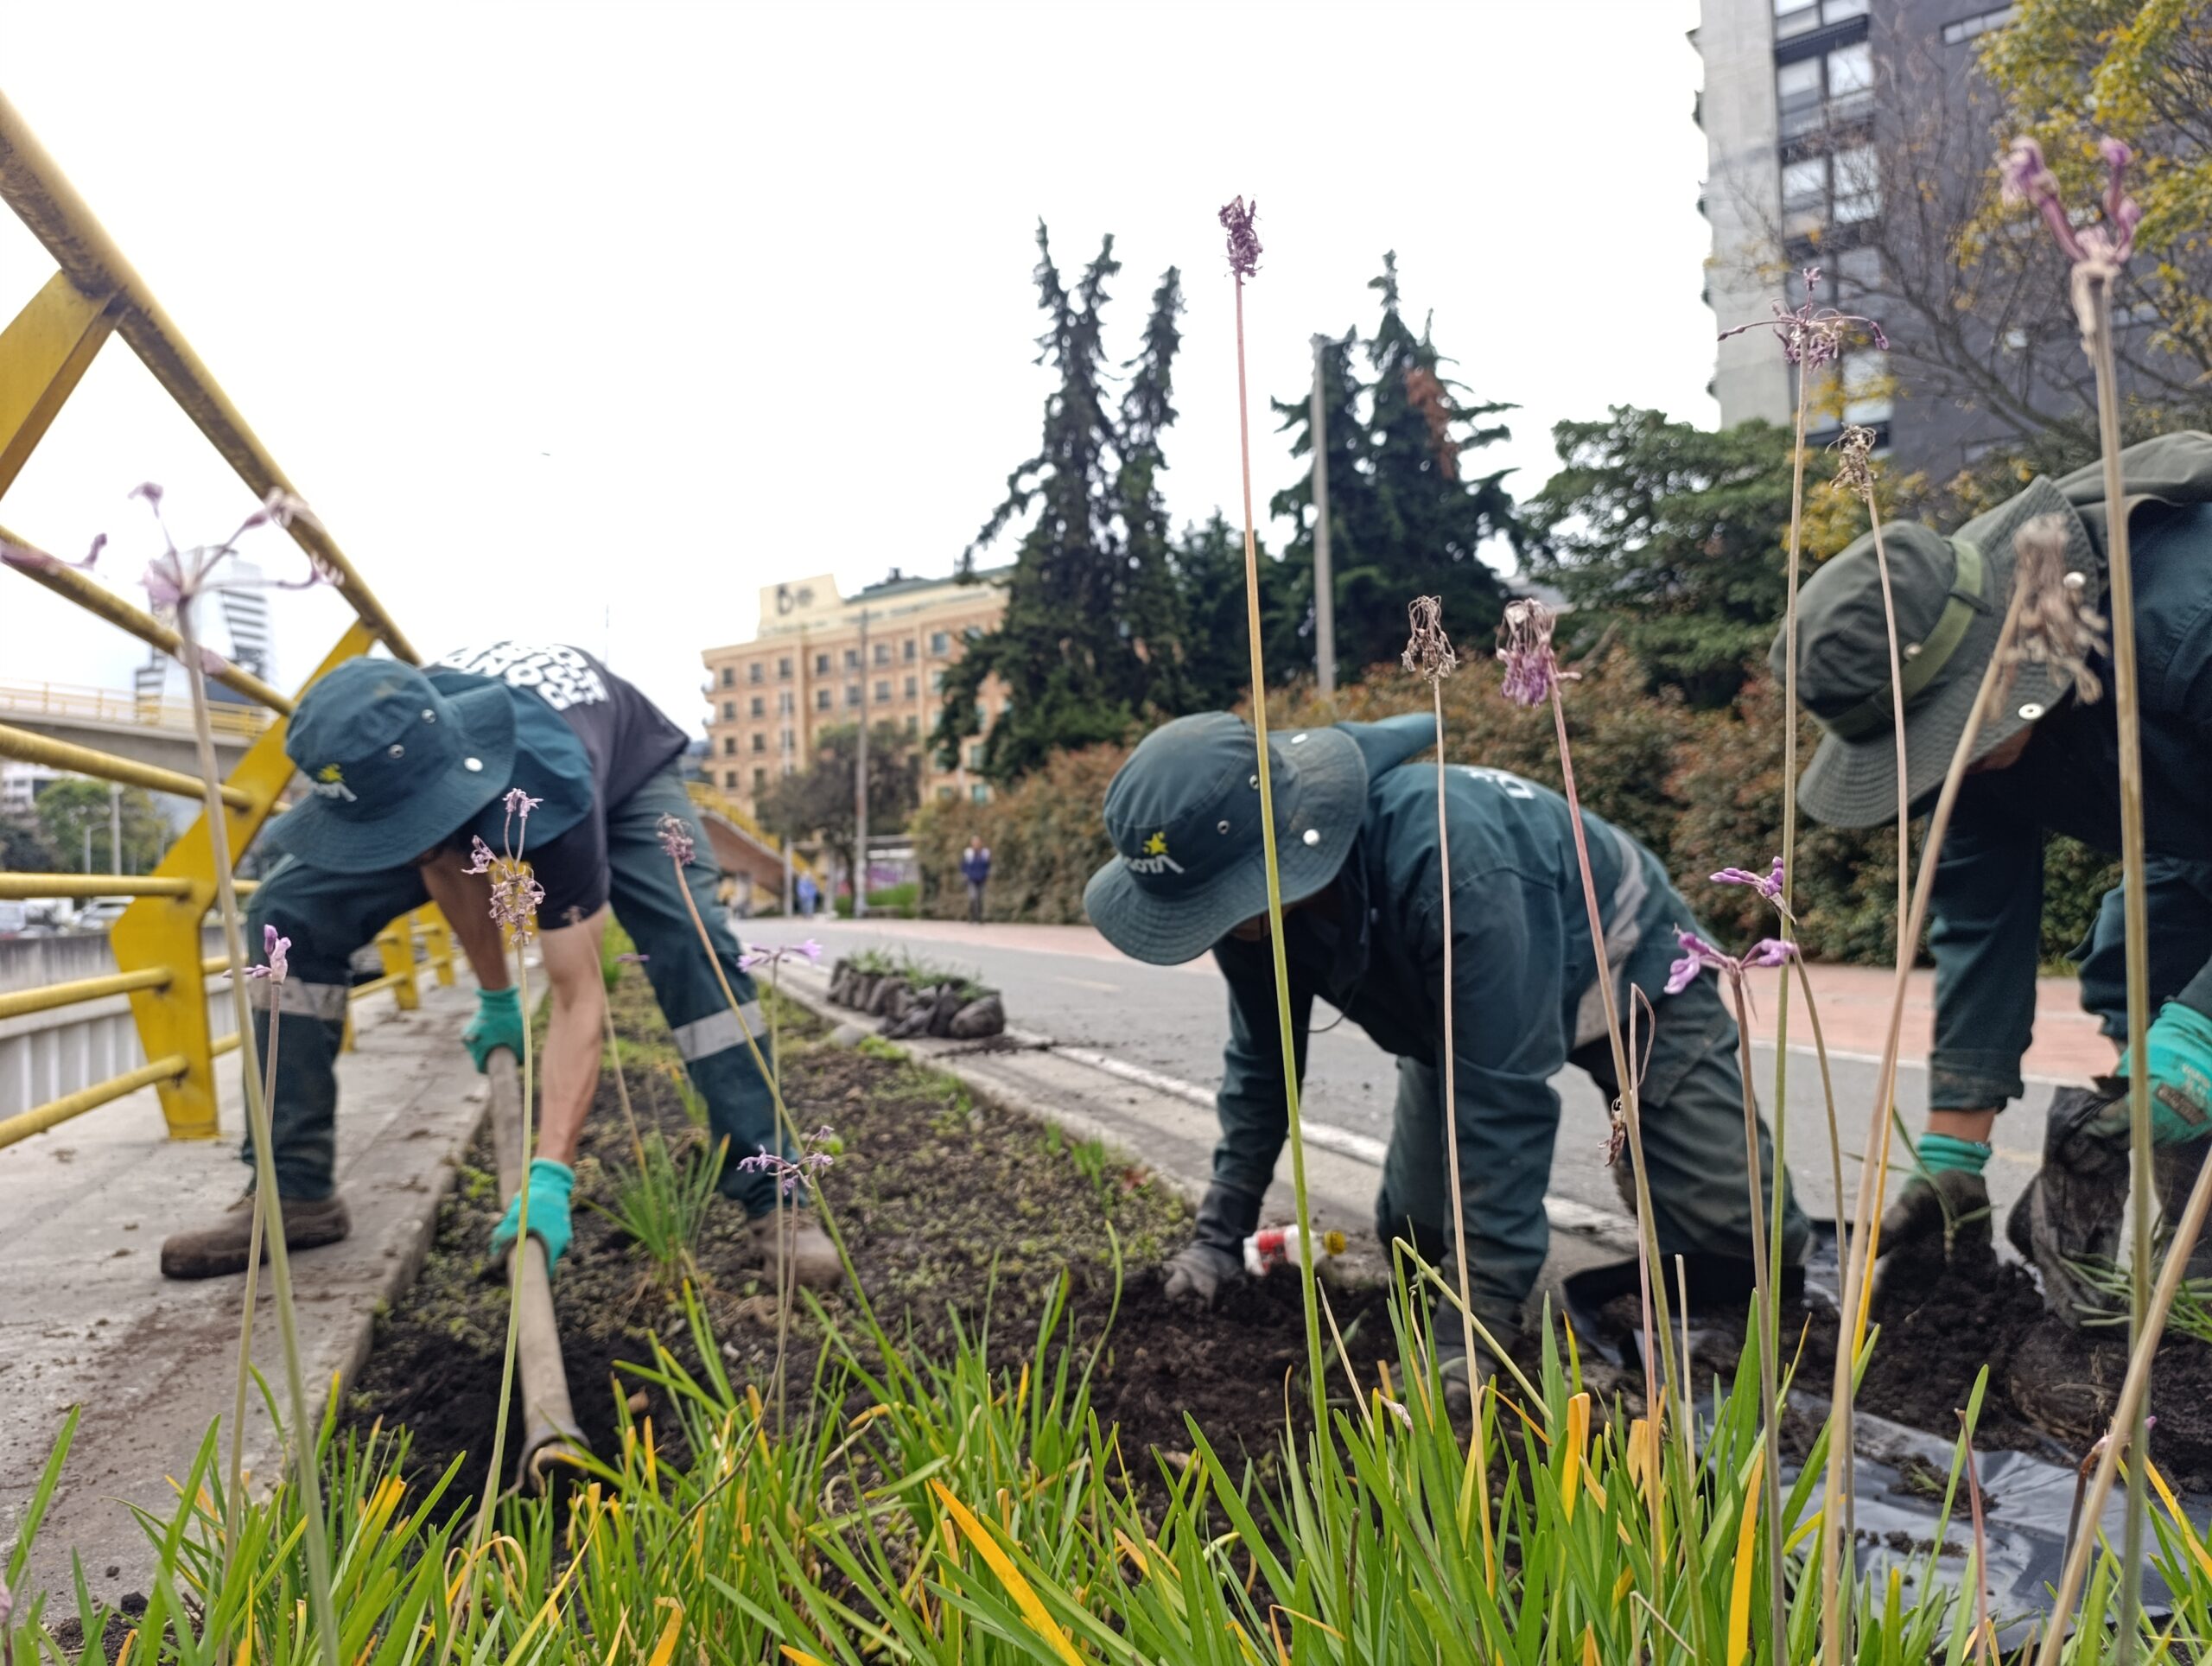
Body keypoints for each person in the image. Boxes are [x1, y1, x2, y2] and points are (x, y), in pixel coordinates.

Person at [1084, 709, 1808, 1395]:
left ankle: (1670, 1172)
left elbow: (1501, 1104)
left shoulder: (1455, 867)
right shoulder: (1250, 920)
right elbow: (1260, 1073)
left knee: (1738, 1251)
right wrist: (1218, 1241)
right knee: (1417, 1244)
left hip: (1624, 971)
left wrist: (1474, 1335)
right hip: (1450, 1010)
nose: (1216, 923)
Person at [159, 641, 839, 1292]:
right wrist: (496, 996)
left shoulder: (553, 790)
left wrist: (549, 1175)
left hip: (620, 775)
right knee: (289, 910)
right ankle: (291, 1191)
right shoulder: (383, 740)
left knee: (693, 941)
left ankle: (776, 1193)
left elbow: (579, 996)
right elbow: (448, 862)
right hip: (443, 778)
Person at [1784, 432, 2212, 1315]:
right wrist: (1952, 1152)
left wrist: (2205, 1030)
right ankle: (2198, 1279)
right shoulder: (1962, 720)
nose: (1952, 762)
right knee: (2140, 962)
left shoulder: (2187, 623)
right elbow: (1981, 917)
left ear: (2007, 659)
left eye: (1951, 731)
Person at [960, 836, 993, 925]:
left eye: (978, 842)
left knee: (980, 898)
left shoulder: (985, 853)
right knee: (973, 897)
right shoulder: (968, 853)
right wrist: (965, 875)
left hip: (981, 879)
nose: (976, 844)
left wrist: (987, 874)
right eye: (974, 842)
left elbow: (988, 865)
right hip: (971, 879)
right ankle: (972, 916)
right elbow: (964, 865)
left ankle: (979, 917)